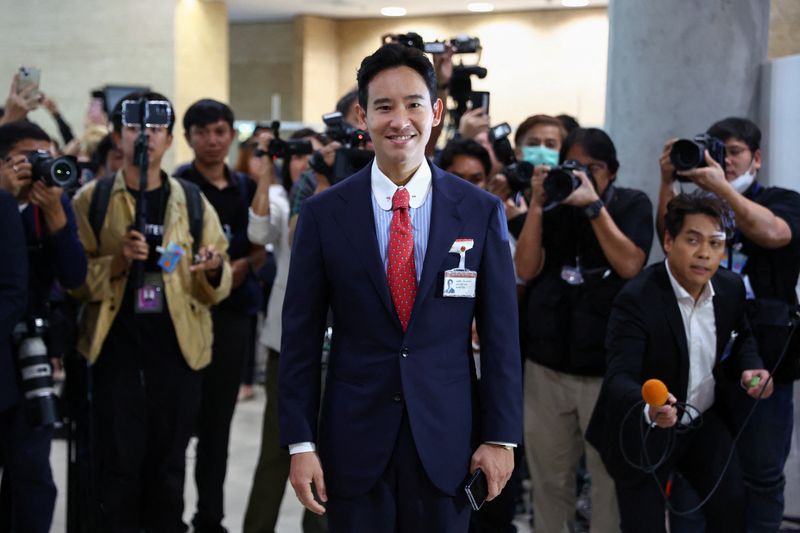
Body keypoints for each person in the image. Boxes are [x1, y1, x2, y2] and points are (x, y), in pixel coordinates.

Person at [279, 43, 522, 532]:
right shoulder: (326, 214)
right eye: (383, 106)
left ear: (435, 111)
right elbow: (300, 337)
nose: (399, 120)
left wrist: (501, 437)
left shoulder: (478, 211)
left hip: (448, 442)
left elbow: (500, 337)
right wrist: (301, 444)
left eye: (413, 104)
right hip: (353, 438)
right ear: (361, 116)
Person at [70, 91, 232, 532]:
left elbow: (218, 279)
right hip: (114, 354)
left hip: (179, 355)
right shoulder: (92, 199)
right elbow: (74, 279)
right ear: (119, 136)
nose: (145, 137)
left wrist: (213, 269)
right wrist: (118, 262)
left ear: (168, 139)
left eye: (156, 129)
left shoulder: (192, 201)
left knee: (169, 467)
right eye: (135, 128)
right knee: (117, 468)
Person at [586, 190, 774, 533]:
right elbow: (619, 377)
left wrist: (751, 367)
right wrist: (650, 408)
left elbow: (742, 336)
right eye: (693, 240)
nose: (705, 253)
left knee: (730, 503)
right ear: (669, 241)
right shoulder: (637, 298)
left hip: (701, 418)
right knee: (644, 525)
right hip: (644, 427)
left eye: (716, 243)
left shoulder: (730, 288)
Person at [656, 117, 800, 532]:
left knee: (761, 473)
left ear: (756, 158)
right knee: (689, 471)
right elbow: (668, 243)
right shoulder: (697, 209)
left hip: (764, 363)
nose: (724, 160)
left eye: (733, 151)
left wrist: (718, 185)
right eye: (715, 150)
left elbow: (773, 233)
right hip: (702, 360)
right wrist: (667, 180)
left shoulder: (780, 199)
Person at [514, 127, 653, 533]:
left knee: (608, 480)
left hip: (606, 373)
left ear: (611, 172)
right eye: (574, 167)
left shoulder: (631, 204)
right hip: (547, 368)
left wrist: (594, 208)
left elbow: (631, 265)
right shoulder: (553, 205)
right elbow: (525, 269)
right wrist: (538, 204)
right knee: (549, 480)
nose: (582, 178)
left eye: (593, 169)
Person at [174, 98, 264, 533]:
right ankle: (166, 514)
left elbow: (260, 248)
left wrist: (236, 269)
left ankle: (210, 517)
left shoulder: (247, 188)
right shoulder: (178, 187)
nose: (212, 141)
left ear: (231, 135)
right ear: (188, 137)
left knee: (218, 426)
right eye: (203, 132)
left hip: (233, 318)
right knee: (175, 422)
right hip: (186, 316)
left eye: (220, 131)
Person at [0, 120, 88, 532]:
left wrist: (55, 214)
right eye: (28, 157)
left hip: (30, 355)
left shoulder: (51, 203)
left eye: (46, 157)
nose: (40, 167)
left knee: (33, 475)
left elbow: (74, 277)